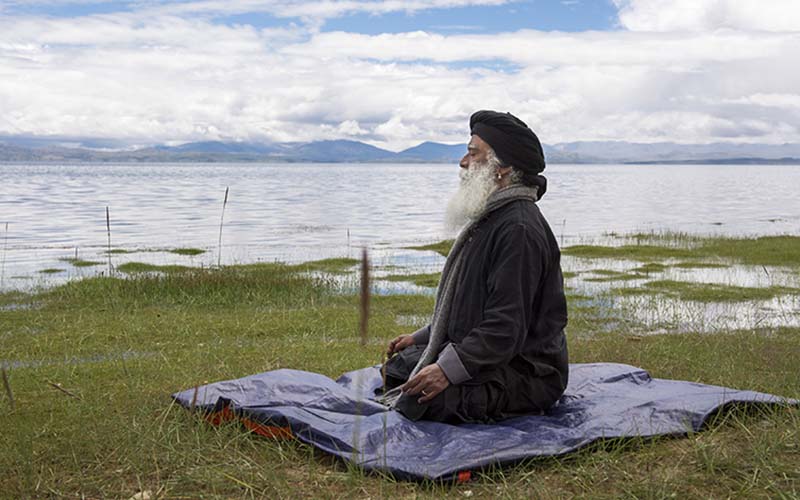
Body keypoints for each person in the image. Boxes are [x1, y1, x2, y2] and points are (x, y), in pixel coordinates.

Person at [380, 110, 569, 424]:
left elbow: (505, 327)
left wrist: (445, 370)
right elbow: (471, 305)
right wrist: (424, 336)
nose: (462, 162)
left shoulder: (518, 229)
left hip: (526, 371)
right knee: (400, 367)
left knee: (420, 401)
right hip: (495, 357)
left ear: (503, 167)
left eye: (472, 153)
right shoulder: (492, 218)